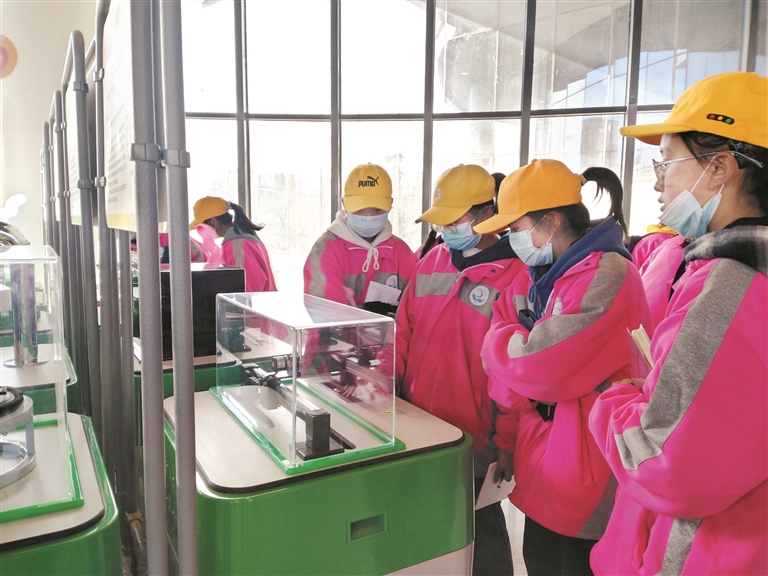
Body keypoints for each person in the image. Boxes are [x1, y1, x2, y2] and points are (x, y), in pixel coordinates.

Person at [589, 71, 768, 575]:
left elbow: (668, 465)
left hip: (711, 552)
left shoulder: (731, 284)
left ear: (720, 167)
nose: (657, 180)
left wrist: (616, 399)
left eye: (666, 162)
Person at [476, 159, 652, 576]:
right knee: (541, 561)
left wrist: (498, 341)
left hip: (587, 469)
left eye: (515, 228)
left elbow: (539, 368)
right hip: (546, 459)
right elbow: (516, 373)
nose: (510, 239)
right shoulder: (542, 276)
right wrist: (507, 436)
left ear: (551, 221)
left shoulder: (607, 274)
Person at [395, 164, 523, 576]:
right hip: (419, 425)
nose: (447, 229)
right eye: (442, 221)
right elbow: (402, 332)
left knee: (478, 530)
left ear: (487, 213)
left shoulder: (517, 274)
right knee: (428, 528)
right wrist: (387, 391)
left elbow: (516, 373)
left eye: (456, 220)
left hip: (476, 435)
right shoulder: (432, 261)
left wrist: (507, 441)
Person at [304, 163, 417, 314]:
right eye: (360, 209)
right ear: (344, 203)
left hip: (389, 331)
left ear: (390, 204)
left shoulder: (401, 252)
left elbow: (416, 308)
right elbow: (326, 315)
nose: (368, 216)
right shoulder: (326, 251)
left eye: (377, 209)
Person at [189, 196, 277, 292]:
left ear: (214, 222)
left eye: (201, 227)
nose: (200, 232)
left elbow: (245, 289)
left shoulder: (237, 246)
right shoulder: (243, 239)